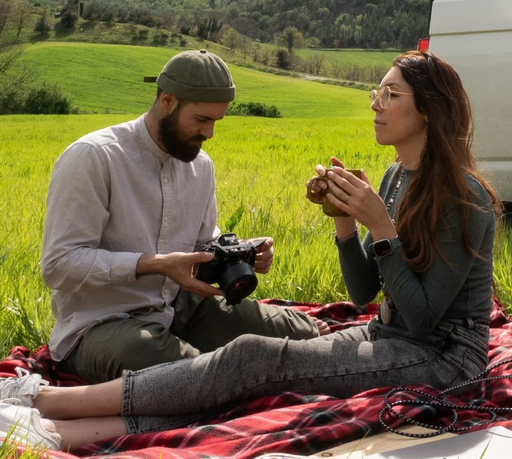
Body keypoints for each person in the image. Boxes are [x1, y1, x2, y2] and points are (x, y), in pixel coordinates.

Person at [0, 50, 502, 451]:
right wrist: (350, 225)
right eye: (379, 90)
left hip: (442, 356)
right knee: (241, 371)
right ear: (168, 100)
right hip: (110, 322)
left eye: (389, 94)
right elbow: (366, 292)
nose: (374, 102)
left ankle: (47, 415)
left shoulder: (462, 196)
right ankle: (46, 407)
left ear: (429, 110)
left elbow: (419, 320)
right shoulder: (95, 158)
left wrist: (369, 226)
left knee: (248, 366)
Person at [38, 49, 326, 385]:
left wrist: (242, 250)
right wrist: (153, 264)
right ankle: (216, 376)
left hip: (180, 305)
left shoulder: (201, 167)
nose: (210, 133)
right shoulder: (94, 158)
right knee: (197, 373)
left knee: (300, 337)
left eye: (216, 121)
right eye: (202, 120)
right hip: (101, 324)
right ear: (167, 101)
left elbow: (204, 238)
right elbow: (58, 266)